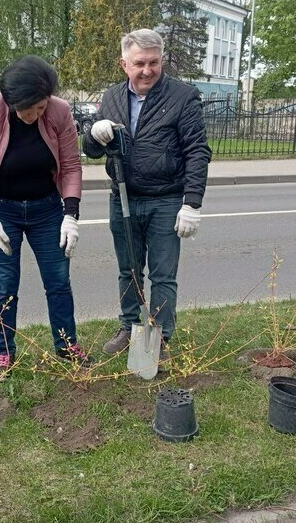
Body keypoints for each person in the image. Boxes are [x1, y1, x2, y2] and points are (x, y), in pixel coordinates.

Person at [82, 28, 212, 368]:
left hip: (166, 199)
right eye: (139, 63)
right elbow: (93, 150)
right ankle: (129, 327)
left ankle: (161, 335)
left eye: (154, 62)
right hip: (122, 195)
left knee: (163, 274)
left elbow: (197, 151)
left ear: (162, 60)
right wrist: (93, 136)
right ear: (124, 63)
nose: (147, 70)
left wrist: (192, 203)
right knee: (129, 271)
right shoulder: (111, 98)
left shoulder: (183, 97)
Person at [0, 55, 95, 376]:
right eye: (29, 108)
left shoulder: (59, 112)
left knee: (59, 281)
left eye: (42, 106)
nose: (36, 114)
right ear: (11, 101)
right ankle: (4, 352)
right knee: (4, 286)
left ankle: (66, 344)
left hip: (47, 210)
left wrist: (70, 214)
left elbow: (72, 166)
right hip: (2, 210)